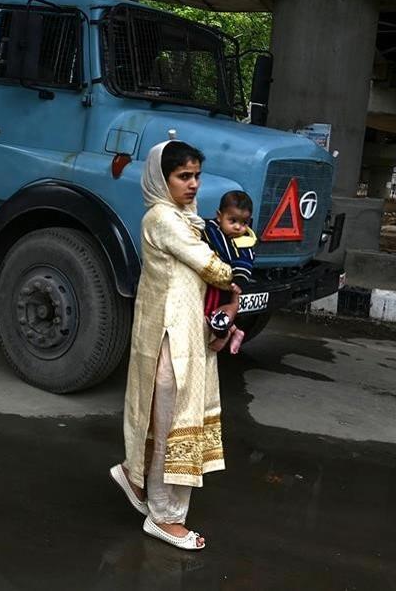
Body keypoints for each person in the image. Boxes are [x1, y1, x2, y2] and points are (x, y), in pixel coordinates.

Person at [109, 134, 239, 551]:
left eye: (197, 176)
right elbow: (212, 268)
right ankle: (165, 518)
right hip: (171, 341)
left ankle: (137, 480)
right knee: (172, 423)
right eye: (184, 176)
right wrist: (239, 281)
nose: (194, 185)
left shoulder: (189, 219)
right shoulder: (163, 219)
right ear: (160, 180)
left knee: (173, 420)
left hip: (187, 336)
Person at [201, 191, 257, 354]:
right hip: (212, 281)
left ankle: (223, 335)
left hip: (227, 286)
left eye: (244, 223)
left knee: (218, 315)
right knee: (211, 311)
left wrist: (239, 281)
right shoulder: (211, 228)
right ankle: (236, 332)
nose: (238, 227)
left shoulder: (242, 243)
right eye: (232, 221)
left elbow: (244, 264)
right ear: (219, 216)